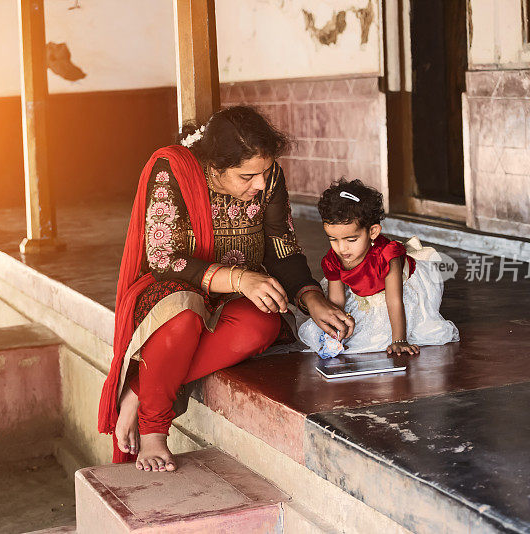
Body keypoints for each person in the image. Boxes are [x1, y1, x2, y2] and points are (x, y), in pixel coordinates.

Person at [98, 106, 354, 473]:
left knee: (263, 323)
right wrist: (237, 278)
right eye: (247, 176)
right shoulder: (173, 170)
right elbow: (163, 257)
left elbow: (281, 245)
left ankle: (139, 389)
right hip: (175, 292)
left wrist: (313, 299)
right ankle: (153, 431)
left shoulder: (269, 177)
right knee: (184, 317)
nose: (261, 185)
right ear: (213, 168)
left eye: (265, 173)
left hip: (236, 296)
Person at [298, 179, 459, 356]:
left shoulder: (388, 256)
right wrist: (337, 331)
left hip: (395, 292)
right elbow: (337, 302)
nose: (342, 248)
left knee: (383, 334)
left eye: (351, 240)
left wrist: (399, 341)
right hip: (362, 292)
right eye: (333, 239)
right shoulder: (333, 260)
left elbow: (394, 300)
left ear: (373, 231)